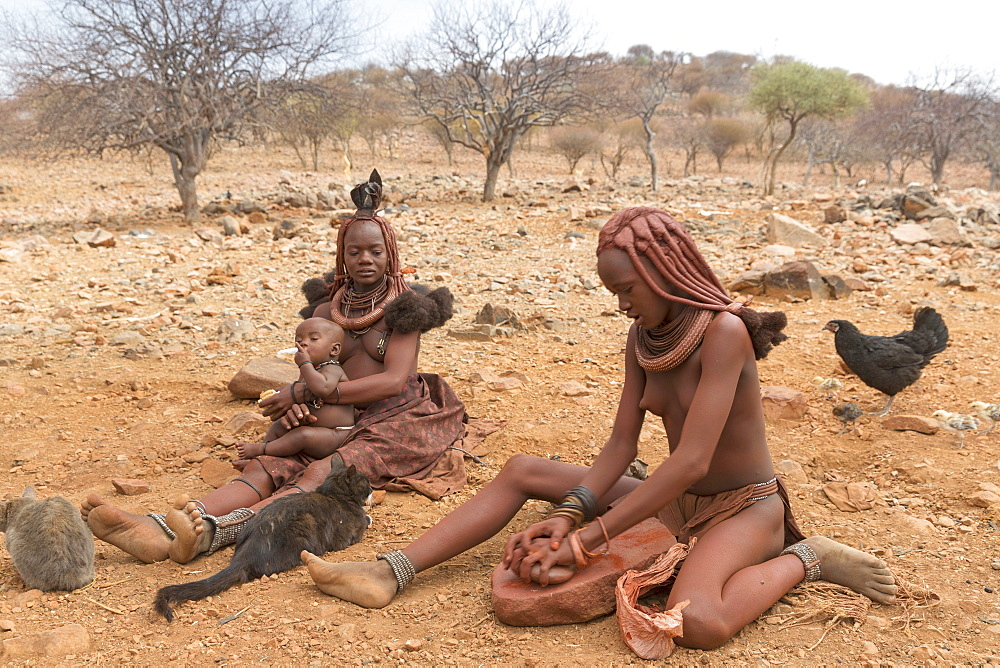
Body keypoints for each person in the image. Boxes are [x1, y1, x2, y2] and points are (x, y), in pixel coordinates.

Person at [301, 206, 898, 652]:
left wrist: (585, 540)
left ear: (663, 274)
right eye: (614, 293)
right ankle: (391, 570)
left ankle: (808, 557)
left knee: (700, 624)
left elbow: (691, 461)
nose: (620, 306)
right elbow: (621, 446)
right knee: (523, 471)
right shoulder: (644, 337)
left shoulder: (724, 334)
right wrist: (567, 514)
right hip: (674, 504)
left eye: (626, 290)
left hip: (744, 507)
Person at [82, 169, 476, 566]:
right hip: (338, 410)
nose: (365, 259)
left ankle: (215, 535)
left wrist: (320, 393)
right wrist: (300, 396)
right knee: (274, 460)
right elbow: (315, 366)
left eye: (375, 251)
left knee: (324, 470)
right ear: (342, 255)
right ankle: (161, 529)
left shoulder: (403, 310)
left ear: (391, 253)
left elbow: (392, 381)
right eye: (354, 252)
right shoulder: (327, 309)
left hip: (398, 416)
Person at [235, 318, 354, 461]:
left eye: (313, 338)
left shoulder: (332, 369)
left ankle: (262, 450)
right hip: (315, 430)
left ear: (334, 349)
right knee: (278, 427)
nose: (303, 343)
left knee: (301, 435)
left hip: (335, 434)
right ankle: (261, 459)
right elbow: (299, 394)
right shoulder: (309, 370)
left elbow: (322, 389)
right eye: (299, 340)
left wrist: (304, 364)